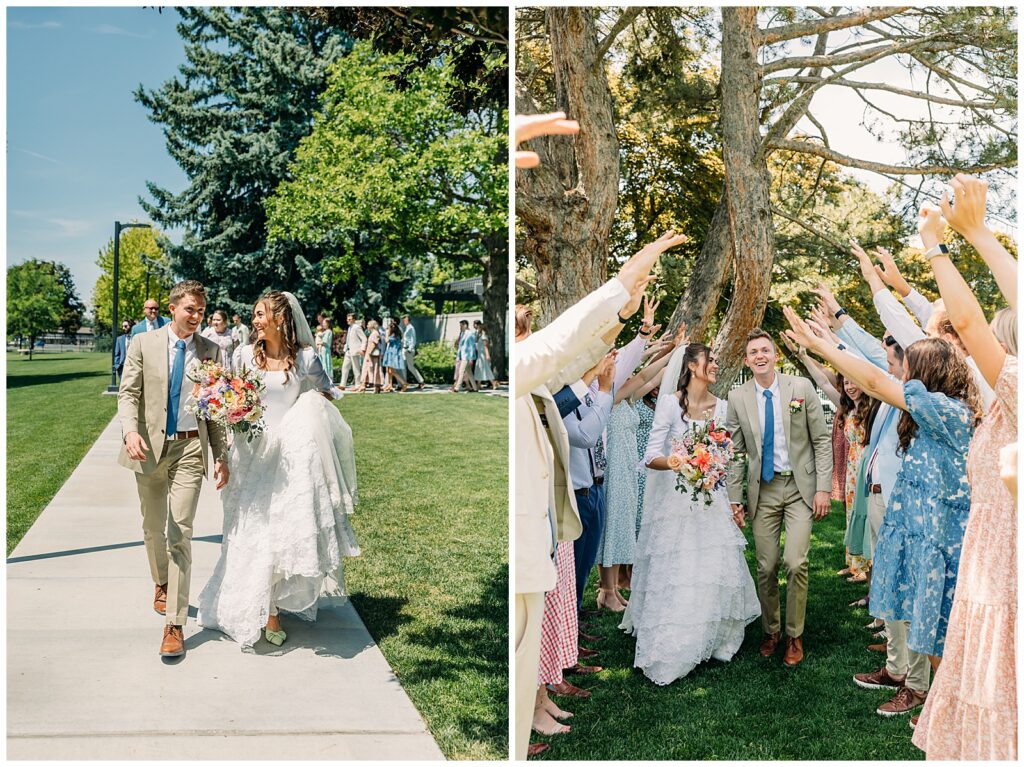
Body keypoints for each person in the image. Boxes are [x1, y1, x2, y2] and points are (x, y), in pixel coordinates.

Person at [784, 307, 979, 721]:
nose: (900, 375)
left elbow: (874, 378)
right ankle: (924, 692)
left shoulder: (947, 411)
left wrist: (820, 344)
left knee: (932, 624)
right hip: (913, 525)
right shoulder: (934, 409)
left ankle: (945, 709)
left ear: (925, 371)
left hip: (936, 534)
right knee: (913, 614)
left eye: (906, 367)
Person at [911, 176, 1017, 758]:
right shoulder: (1002, 399)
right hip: (988, 558)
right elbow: (966, 329)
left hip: (1007, 568)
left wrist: (954, 241)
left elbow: (970, 324)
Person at [198, 291, 358, 649]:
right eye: (254, 315)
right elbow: (227, 398)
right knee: (248, 530)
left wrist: (311, 413)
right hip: (249, 454)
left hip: (288, 458)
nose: (255, 321)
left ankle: (271, 610)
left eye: (260, 315)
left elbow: (326, 392)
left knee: (276, 531)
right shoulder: (242, 355)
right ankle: (256, 604)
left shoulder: (305, 358)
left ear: (280, 319)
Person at [623, 342, 761, 683]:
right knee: (681, 567)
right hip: (676, 501)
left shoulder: (723, 407)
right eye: (709, 360)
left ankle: (715, 637)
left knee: (712, 567)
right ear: (691, 366)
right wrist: (677, 462)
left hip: (710, 501)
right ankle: (678, 638)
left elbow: (726, 456)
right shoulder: (670, 405)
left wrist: (721, 482)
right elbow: (651, 454)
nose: (715, 364)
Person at [116, 280, 230, 658]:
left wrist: (222, 455)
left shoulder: (211, 350)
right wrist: (130, 432)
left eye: (201, 311)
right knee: (152, 527)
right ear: (173, 308)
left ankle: (175, 624)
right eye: (190, 310)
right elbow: (129, 393)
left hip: (190, 447)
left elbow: (214, 409)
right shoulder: (143, 344)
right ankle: (161, 581)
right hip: (148, 447)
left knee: (179, 531)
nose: (197, 317)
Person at [725, 329, 833, 668]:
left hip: (800, 489)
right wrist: (734, 498)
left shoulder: (799, 389)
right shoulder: (737, 397)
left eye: (765, 350)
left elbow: (821, 440)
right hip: (764, 491)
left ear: (775, 356)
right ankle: (770, 630)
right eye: (753, 351)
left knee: (795, 562)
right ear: (747, 360)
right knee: (766, 565)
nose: (760, 356)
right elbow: (733, 452)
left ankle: (794, 634)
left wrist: (823, 488)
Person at [201, 310, 237, 374]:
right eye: (214, 320)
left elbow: (236, 352)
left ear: (225, 321)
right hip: (211, 371)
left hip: (228, 370)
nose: (215, 322)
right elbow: (200, 350)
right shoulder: (207, 333)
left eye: (218, 320)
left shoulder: (232, 334)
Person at [356, 320, 384, 394]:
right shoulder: (373, 333)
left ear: (372, 325)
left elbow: (375, 344)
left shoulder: (375, 333)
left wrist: (369, 353)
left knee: (373, 369)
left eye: (368, 324)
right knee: (368, 370)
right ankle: (366, 386)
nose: (367, 326)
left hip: (371, 356)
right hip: (370, 355)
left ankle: (374, 387)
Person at [452, 320, 479, 392]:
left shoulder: (470, 334)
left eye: (461, 326)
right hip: (462, 356)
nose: (460, 327)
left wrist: (470, 358)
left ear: (465, 325)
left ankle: (456, 388)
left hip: (467, 357)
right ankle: (475, 388)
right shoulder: (462, 334)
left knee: (461, 371)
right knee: (469, 373)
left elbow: (472, 347)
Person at [381, 319, 408, 392]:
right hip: (391, 353)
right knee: (389, 370)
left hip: (393, 354)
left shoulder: (394, 336)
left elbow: (386, 341)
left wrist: (386, 333)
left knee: (392, 371)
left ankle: (404, 383)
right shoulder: (396, 335)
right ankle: (390, 385)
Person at [341, 314, 366, 389]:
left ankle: (358, 385)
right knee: (345, 367)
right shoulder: (350, 328)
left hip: (355, 351)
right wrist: (345, 348)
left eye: (350, 319)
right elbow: (349, 340)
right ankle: (342, 385)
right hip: (348, 351)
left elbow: (364, 339)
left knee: (356, 369)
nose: (348, 320)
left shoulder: (357, 327)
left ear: (354, 320)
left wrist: (362, 349)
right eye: (347, 319)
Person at [401, 315, 425, 389]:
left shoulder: (411, 328)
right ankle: (403, 383)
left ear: (408, 320)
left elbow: (413, 340)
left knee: (410, 367)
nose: (404, 321)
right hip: (404, 349)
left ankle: (421, 381)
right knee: (403, 367)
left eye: (405, 320)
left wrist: (409, 349)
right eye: (403, 320)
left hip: (408, 350)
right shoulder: (407, 328)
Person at [473, 321, 498, 390]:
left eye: (478, 328)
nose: (477, 329)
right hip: (479, 356)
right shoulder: (480, 336)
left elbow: (485, 346)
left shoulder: (484, 336)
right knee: (479, 369)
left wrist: (487, 355)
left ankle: (494, 383)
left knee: (485, 369)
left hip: (483, 356)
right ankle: (478, 385)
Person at [319, 318, 335, 383]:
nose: (323, 324)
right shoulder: (326, 331)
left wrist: (319, 342)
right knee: (323, 363)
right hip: (323, 349)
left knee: (326, 363)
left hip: (325, 349)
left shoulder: (328, 331)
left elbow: (326, 342)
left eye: (324, 323)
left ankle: (327, 378)